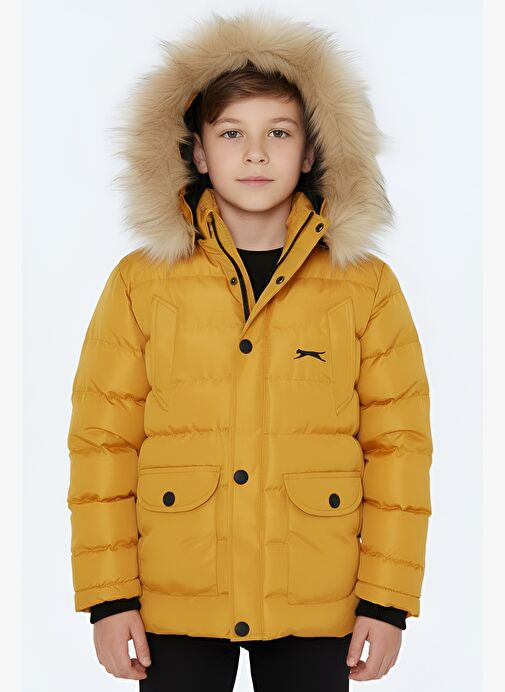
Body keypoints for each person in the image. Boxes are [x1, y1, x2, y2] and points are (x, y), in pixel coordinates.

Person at [66, 9, 433, 691]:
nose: (256, 153)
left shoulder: (364, 287)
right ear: (198, 152)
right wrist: (109, 597)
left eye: (279, 133)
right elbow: (102, 443)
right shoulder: (142, 282)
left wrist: (386, 603)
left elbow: (398, 448)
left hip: (315, 599)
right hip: (174, 597)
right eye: (232, 133)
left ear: (311, 151)